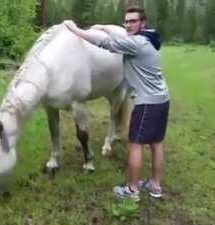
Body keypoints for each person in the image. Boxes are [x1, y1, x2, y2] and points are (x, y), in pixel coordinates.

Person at [64, 6, 170, 202]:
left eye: (133, 21)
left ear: (142, 23)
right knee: (156, 144)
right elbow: (113, 33)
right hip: (162, 99)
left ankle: (132, 190)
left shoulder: (135, 44)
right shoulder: (149, 39)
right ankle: (155, 186)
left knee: (135, 145)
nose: (128, 25)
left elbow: (104, 42)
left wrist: (75, 29)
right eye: (126, 21)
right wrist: (102, 25)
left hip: (147, 102)